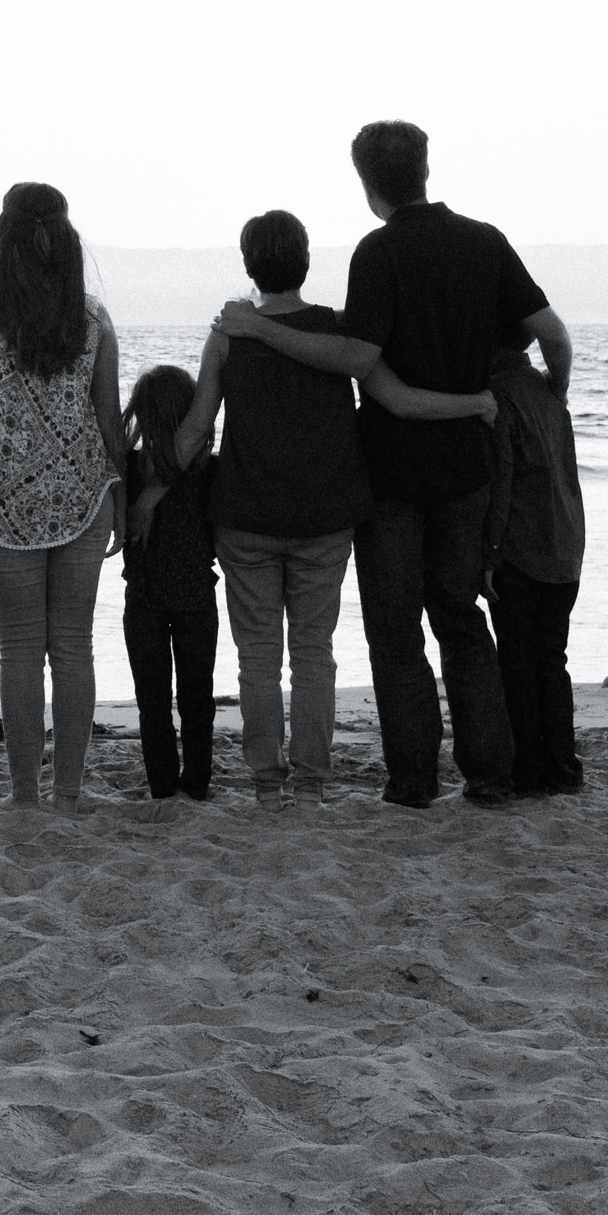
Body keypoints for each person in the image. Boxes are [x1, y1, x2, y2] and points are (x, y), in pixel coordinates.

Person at [216, 122, 570, 809]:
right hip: (468, 465)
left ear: (364, 179)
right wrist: (545, 403)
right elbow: (551, 335)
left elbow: (354, 359)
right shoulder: (484, 240)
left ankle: (412, 782)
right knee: (462, 619)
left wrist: (258, 328)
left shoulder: (377, 254)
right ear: (425, 168)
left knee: (397, 630)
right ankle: (489, 776)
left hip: (392, 472)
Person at [179, 209, 493, 807]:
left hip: (245, 517)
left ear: (249, 265)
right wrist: (473, 403)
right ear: (305, 261)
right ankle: (311, 786)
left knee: (257, 658)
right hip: (325, 520)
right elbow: (397, 401)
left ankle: (268, 786)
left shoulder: (229, 334)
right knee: (313, 656)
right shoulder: (339, 333)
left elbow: (197, 430)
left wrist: (144, 479)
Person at [0, 183, 124, 811]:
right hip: (84, 494)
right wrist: (126, 499)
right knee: (74, 646)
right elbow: (108, 420)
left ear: (4, 240)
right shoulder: (93, 316)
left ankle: (25, 793)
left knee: (20, 649)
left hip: (4, 503)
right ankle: (70, 794)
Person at [483, 336, 587, 796]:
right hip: (565, 543)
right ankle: (562, 768)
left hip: (522, 548)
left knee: (518, 665)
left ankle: (527, 769)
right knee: (551, 661)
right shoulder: (549, 392)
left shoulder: (498, 395)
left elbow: (502, 481)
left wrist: (487, 552)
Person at [120, 365, 218, 806]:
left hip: (144, 599)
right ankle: (196, 784)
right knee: (197, 698)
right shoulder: (208, 472)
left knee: (152, 702)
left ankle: (162, 785)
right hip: (197, 595)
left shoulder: (129, 471)